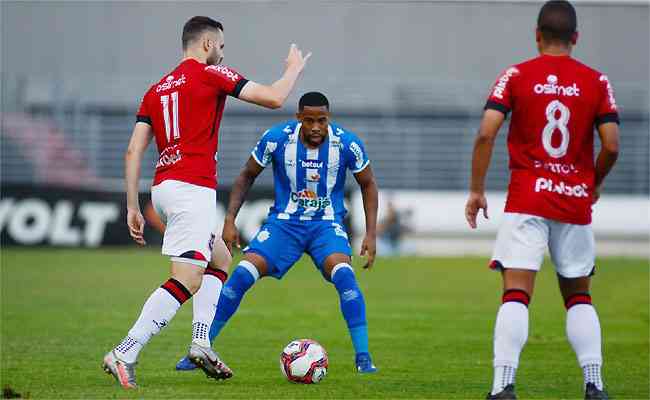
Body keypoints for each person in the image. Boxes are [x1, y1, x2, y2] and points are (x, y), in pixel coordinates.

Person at [102, 16, 311, 389]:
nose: (222, 53)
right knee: (186, 278)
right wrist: (293, 70)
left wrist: (133, 204)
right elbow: (275, 98)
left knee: (221, 259)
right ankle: (125, 351)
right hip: (191, 189)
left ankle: (201, 342)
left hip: (164, 188)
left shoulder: (156, 89)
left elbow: (134, 148)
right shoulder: (211, 74)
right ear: (205, 45)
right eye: (221, 46)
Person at [465, 1, 619, 399]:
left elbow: (486, 133)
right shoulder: (597, 81)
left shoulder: (516, 75)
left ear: (537, 35)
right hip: (573, 202)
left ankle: (503, 387)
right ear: (576, 38)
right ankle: (594, 384)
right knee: (579, 296)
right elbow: (612, 146)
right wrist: (592, 182)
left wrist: (477, 189)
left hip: (528, 199)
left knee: (516, 293)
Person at [175, 91, 380, 374]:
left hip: (326, 224)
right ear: (299, 118)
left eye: (322, 120)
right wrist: (230, 219)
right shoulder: (277, 138)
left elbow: (368, 184)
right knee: (241, 276)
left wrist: (371, 233)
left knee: (345, 275)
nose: (317, 127)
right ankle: (201, 349)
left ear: (328, 118)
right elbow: (247, 174)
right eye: (309, 121)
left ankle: (363, 357)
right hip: (284, 224)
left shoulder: (346, 143)